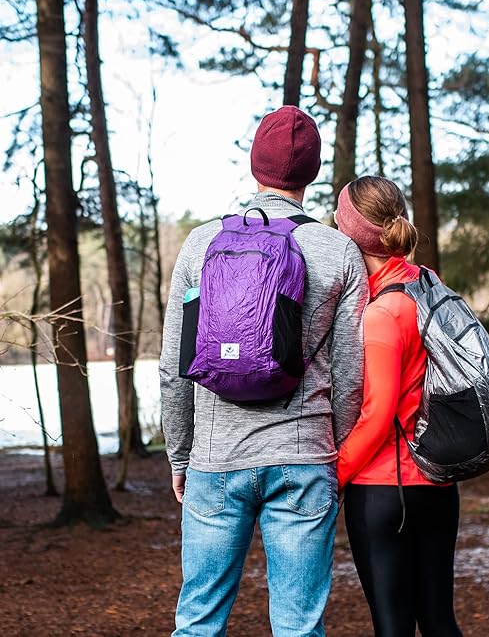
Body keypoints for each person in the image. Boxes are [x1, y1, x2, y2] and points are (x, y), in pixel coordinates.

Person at [159, 105, 369, 637]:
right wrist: (336, 459)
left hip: (214, 458)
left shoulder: (201, 244)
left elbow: (174, 368)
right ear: (312, 171)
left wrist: (181, 455)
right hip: (303, 458)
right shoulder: (338, 251)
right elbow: (351, 376)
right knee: (298, 627)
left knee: (197, 623)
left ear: (255, 164)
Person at [334, 176, 464, 637]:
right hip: (439, 484)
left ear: (352, 234)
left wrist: (333, 476)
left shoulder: (382, 314)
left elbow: (377, 413)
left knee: (393, 628)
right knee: (440, 622)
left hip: (384, 491)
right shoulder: (429, 285)